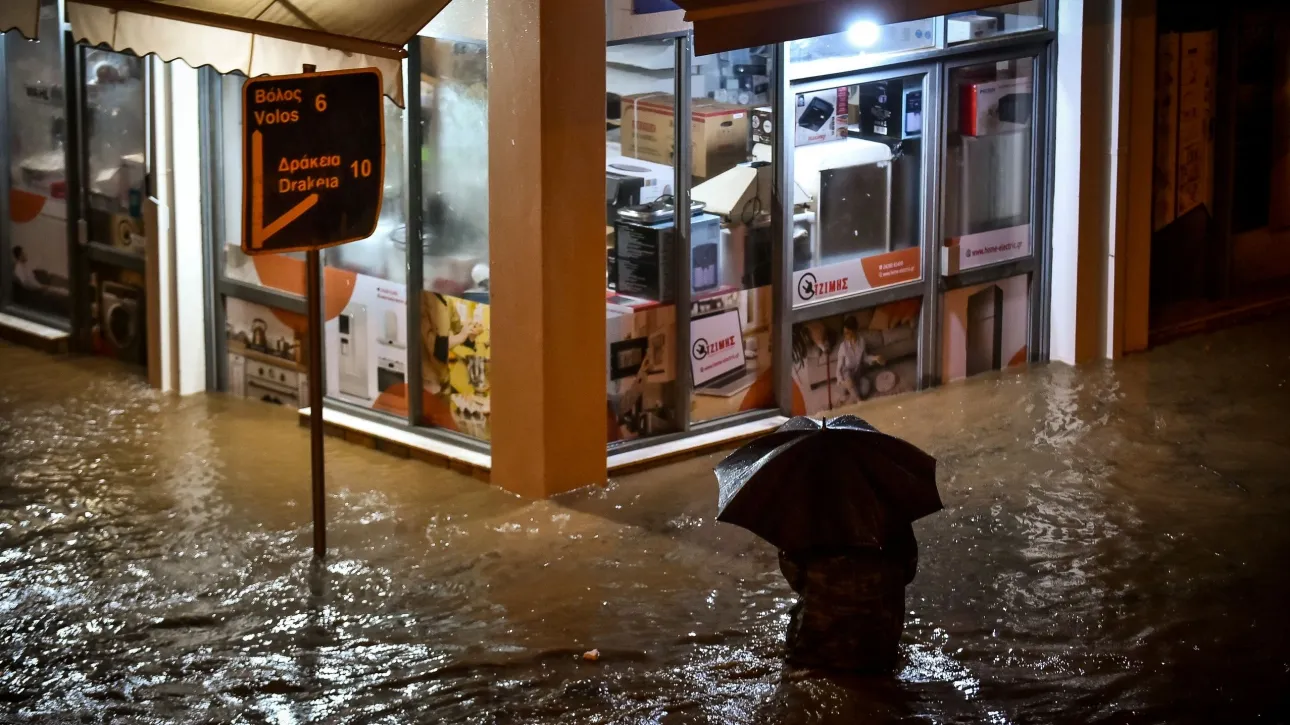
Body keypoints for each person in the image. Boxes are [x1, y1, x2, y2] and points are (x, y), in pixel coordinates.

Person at [836, 315, 883, 403]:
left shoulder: (861, 341)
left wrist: (875, 358)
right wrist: (842, 382)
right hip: (846, 377)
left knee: (866, 388)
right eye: (844, 333)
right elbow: (839, 368)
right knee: (847, 374)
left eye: (848, 333)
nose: (845, 336)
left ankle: (852, 392)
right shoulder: (843, 347)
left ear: (855, 331)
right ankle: (858, 400)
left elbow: (864, 358)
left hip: (858, 375)